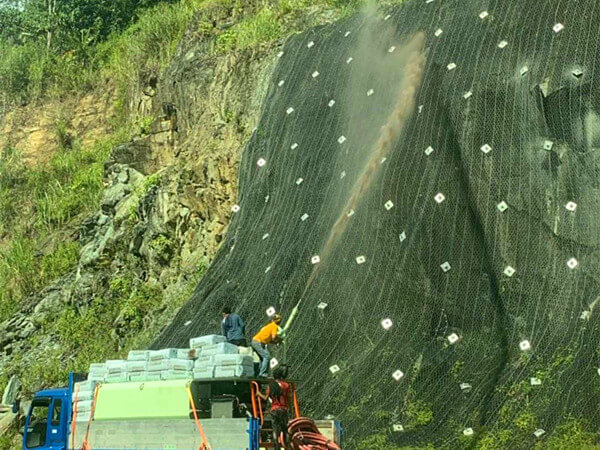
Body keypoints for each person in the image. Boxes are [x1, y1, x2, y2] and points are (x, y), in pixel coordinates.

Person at [257, 367, 290, 450]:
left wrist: (258, 393)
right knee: (285, 430)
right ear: (281, 375)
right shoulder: (286, 385)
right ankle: (288, 447)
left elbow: (265, 398)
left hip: (274, 409)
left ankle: (277, 447)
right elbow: (288, 398)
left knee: (275, 430)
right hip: (283, 409)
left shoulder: (271, 386)